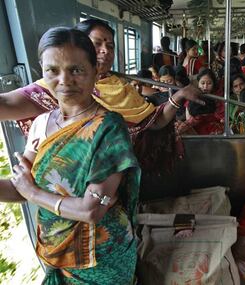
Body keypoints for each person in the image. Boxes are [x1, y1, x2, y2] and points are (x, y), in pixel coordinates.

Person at [0, 27, 140, 284]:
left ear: (95, 71)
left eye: (76, 70)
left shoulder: (108, 128)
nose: (64, 80)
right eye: (53, 70)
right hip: (56, 253)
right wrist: (27, 191)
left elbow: (92, 210)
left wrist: (33, 193)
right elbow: (20, 187)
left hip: (103, 258)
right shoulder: (42, 124)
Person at [0, 18, 203, 173]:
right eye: (97, 44)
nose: (105, 51)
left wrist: (179, 96)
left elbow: (154, 123)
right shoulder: (56, 90)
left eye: (110, 46)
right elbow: (7, 103)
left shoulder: (119, 87)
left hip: (118, 182)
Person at [176, 69, 223, 135]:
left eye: (209, 83)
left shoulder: (217, 99)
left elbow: (221, 117)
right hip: (195, 128)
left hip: (213, 130)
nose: (205, 86)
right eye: (203, 83)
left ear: (213, 84)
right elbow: (189, 119)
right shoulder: (192, 97)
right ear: (198, 84)